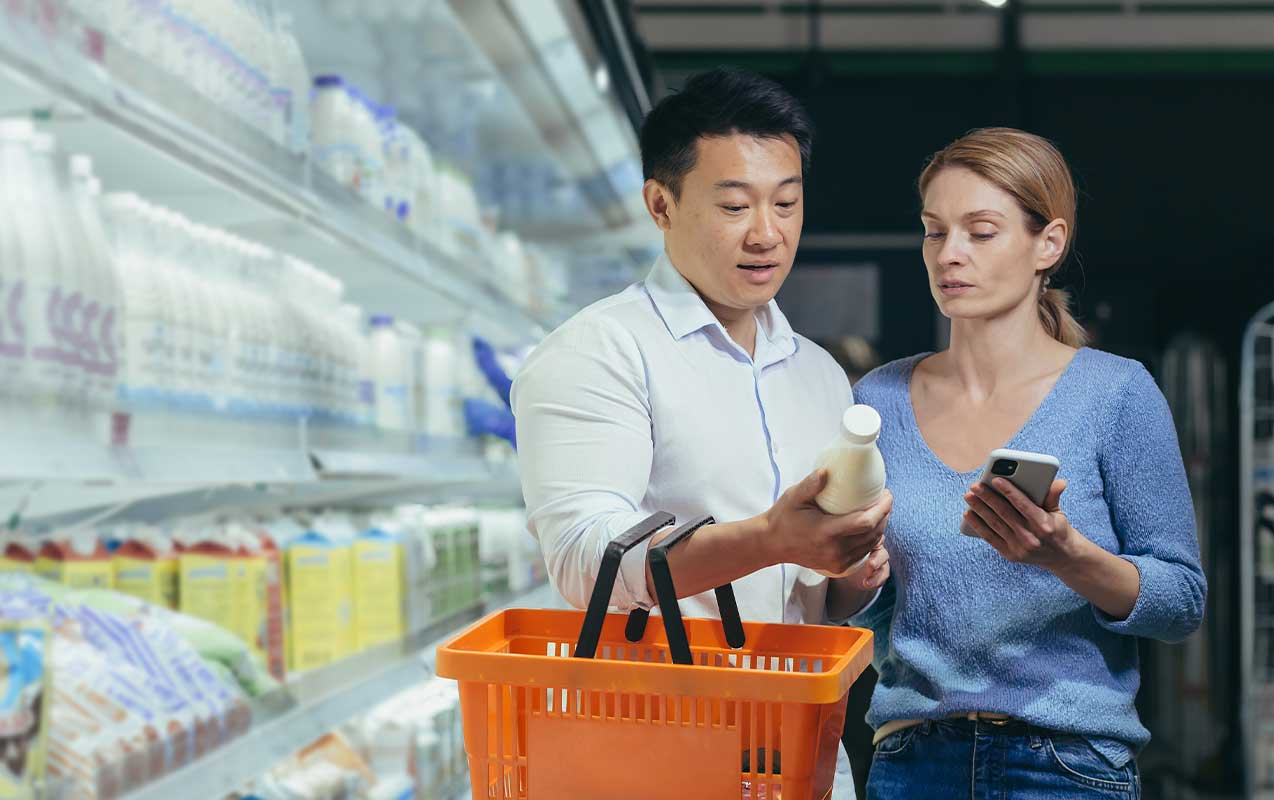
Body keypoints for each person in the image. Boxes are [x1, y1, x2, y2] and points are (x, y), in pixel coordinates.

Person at [512, 68, 892, 794]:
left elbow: (813, 598)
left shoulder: (817, 374)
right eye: (733, 205)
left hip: (807, 763)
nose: (766, 233)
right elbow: (584, 561)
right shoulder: (598, 352)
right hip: (657, 760)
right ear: (660, 203)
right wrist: (769, 539)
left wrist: (850, 575)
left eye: (786, 203)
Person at [850, 127, 1207, 799]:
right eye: (934, 232)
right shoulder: (877, 401)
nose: (948, 255)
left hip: (1068, 768)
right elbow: (874, 611)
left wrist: (1065, 555)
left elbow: (1179, 602)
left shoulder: (1115, 394)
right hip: (912, 763)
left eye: (979, 232)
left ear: (1049, 243)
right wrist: (848, 574)